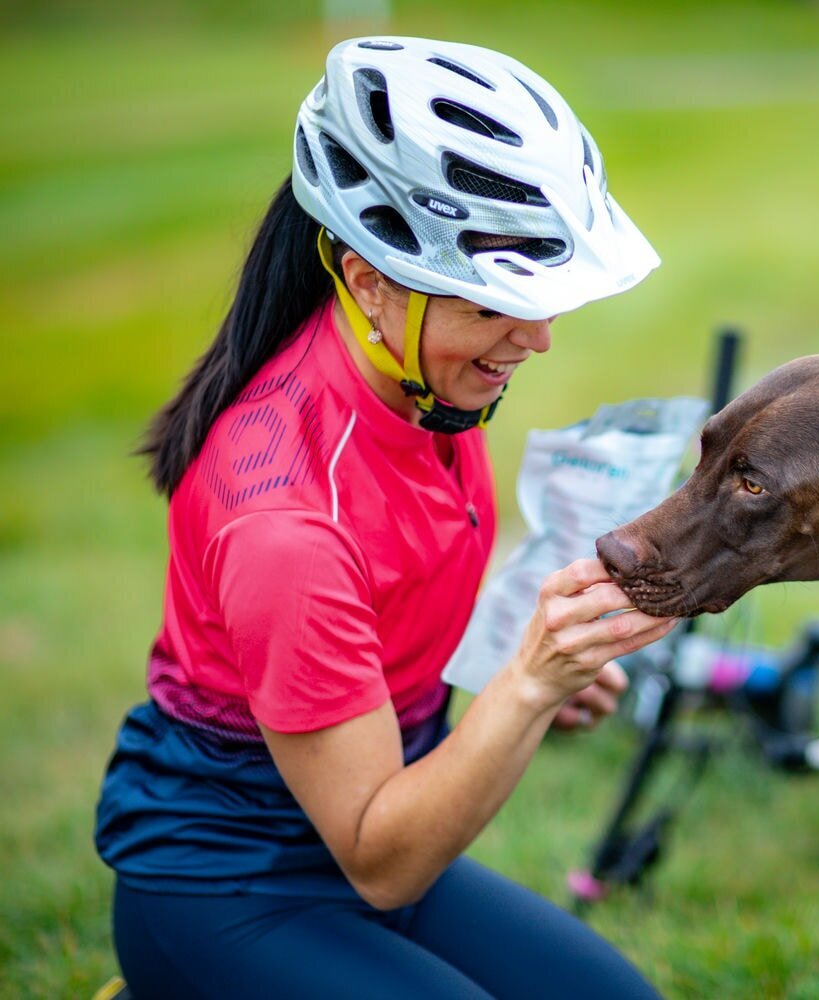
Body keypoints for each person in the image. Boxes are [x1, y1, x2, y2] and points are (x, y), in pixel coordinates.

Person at [94, 36, 674, 998]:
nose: (535, 339)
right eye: (495, 304)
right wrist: (525, 686)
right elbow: (382, 859)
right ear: (367, 278)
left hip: (368, 826)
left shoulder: (421, 384)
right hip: (232, 885)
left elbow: (397, 633)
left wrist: (528, 690)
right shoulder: (286, 521)